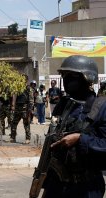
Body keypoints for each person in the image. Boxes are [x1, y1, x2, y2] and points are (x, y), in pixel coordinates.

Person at [42, 55, 106, 197]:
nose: (66, 80)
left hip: (86, 188)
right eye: (64, 75)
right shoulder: (64, 105)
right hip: (56, 185)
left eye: (71, 76)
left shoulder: (101, 107)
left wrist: (80, 139)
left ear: (87, 78)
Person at [9, 75, 34, 144]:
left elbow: (31, 101)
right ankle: (13, 137)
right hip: (17, 107)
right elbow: (14, 96)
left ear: (26, 80)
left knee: (26, 123)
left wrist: (29, 110)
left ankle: (28, 138)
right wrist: (13, 105)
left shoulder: (29, 88)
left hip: (25, 108)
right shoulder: (18, 88)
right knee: (13, 123)